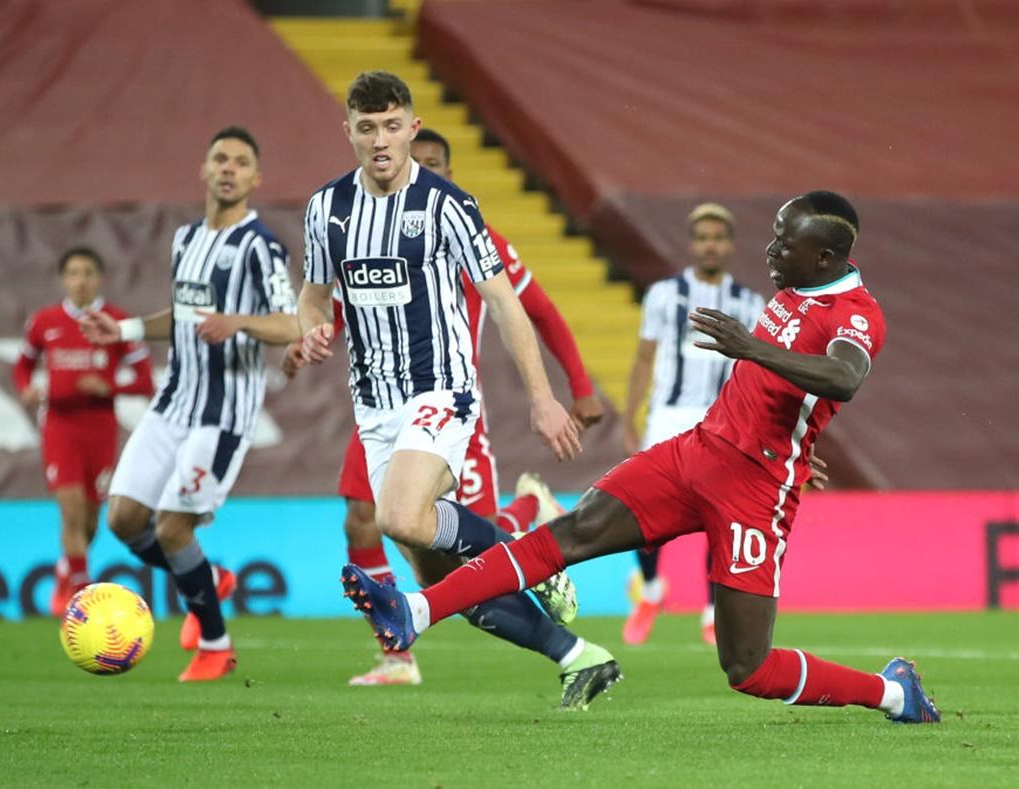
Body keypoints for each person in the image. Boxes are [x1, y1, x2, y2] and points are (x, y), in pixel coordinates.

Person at [344, 191, 942, 724]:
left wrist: (757, 370)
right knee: (572, 531)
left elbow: (842, 376)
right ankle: (416, 611)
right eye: (775, 234)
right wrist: (795, 438)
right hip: (699, 450)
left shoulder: (857, 314)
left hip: (754, 490)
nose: (771, 250)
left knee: (748, 669)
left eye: (785, 242)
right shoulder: (796, 287)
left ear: (824, 259)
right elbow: (780, 391)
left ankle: (892, 694)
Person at [297, 71, 619, 709]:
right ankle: (577, 656)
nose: (380, 140)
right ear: (349, 134)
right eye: (367, 128)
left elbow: (505, 302)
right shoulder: (325, 209)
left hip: (441, 391)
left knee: (395, 516)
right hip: (374, 405)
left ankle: (531, 550)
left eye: (392, 126)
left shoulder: (447, 205)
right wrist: (309, 333)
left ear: (412, 129)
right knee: (447, 582)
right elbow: (312, 297)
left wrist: (544, 396)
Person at [79, 127, 299, 682]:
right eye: (219, 159)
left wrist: (240, 322)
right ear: (203, 170)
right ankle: (208, 576)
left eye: (240, 162)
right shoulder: (185, 240)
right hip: (172, 403)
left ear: (255, 178)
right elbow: (179, 316)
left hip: (223, 414)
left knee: (174, 527)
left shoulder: (259, 247)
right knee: (124, 519)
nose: (228, 168)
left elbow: (292, 321)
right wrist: (124, 328)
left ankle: (216, 645)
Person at [621, 203, 765, 646]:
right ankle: (649, 592)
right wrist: (630, 418)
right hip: (667, 415)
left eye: (718, 237)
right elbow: (644, 357)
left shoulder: (749, 303)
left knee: (719, 515)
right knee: (643, 510)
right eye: (702, 236)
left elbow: (755, 371)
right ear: (691, 242)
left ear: (731, 245)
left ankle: (710, 610)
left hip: (724, 421)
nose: (710, 244)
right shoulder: (664, 295)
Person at [13, 247, 155, 616]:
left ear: (99, 277)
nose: (81, 280)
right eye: (73, 272)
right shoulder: (45, 322)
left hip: (100, 427)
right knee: (72, 511)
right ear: (64, 278)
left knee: (91, 520)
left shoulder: (116, 321)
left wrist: (111, 388)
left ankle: (66, 569)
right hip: (60, 426)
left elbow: (144, 380)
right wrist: (26, 389)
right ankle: (80, 600)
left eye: (88, 272)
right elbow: (23, 366)